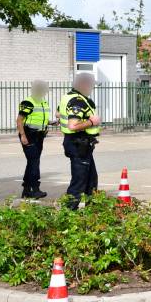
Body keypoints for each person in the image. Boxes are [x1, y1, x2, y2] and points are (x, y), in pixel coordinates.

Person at [59, 73, 102, 210]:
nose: (92, 88)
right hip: (79, 143)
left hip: (79, 143)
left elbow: (58, 113)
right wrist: (91, 121)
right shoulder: (78, 101)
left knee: (91, 178)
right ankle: (69, 211)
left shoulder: (69, 97)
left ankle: (91, 208)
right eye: (91, 86)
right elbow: (73, 125)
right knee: (79, 180)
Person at [16, 80, 53, 199]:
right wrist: (23, 135)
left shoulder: (43, 102)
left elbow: (40, 118)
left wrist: (50, 122)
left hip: (39, 136)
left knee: (32, 162)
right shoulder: (28, 102)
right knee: (34, 162)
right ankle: (34, 189)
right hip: (29, 135)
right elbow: (19, 120)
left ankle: (27, 190)